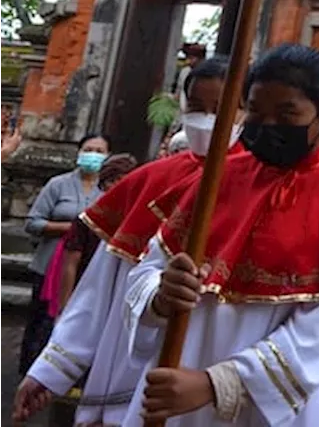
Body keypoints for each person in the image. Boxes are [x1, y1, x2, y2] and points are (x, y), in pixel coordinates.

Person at [118, 44, 319, 425]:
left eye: (286, 113)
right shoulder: (217, 177)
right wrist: (161, 294)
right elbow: (148, 270)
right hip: (179, 377)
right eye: (255, 110)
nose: (266, 125)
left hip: (279, 404)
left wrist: (214, 384)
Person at [14, 58, 237, 427]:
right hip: (122, 371)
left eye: (222, 109)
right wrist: (52, 369)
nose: (208, 119)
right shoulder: (151, 180)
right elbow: (99, 287)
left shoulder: (262, 191)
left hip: (202, 386)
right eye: (197, 108)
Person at [18, 133, 109, 374]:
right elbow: (33, 223)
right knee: (39, 321)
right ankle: (30, 369)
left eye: (99, 151)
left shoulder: (108, 191)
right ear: (79, 153)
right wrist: (71, 230)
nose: (93, 155)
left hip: (85, 270)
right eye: (89, 149)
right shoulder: (58, 184)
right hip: (48, 266)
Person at [57, 153, 138, 311]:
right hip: (86, 290)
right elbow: (70, 264)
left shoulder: (137, 221)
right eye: (115, 181)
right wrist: (64, 307)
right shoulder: (87, 220)